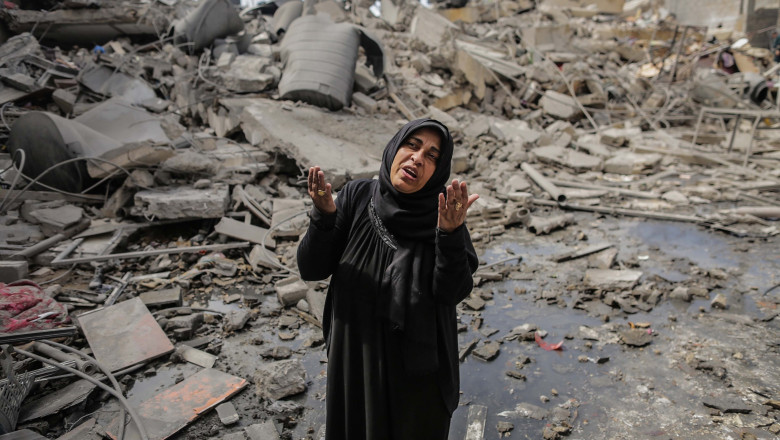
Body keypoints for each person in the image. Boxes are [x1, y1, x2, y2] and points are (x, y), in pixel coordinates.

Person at [297, 118, 479, 440]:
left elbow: (452, 291)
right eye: (412, 145)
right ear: (395, 147)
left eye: (432, 156)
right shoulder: (357, 196)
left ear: (438, 171)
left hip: (414, 380)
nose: (418, 158)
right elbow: (311, 269)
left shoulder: (443, 218)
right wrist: (323, 217)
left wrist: (449, 235)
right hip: (353, 363)